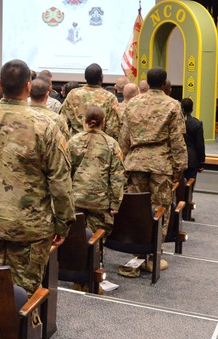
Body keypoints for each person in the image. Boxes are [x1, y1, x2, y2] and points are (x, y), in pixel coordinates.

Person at [0, 59, 74, 294]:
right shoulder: (46, 126)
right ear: (28, 86)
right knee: (24, 296)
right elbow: (60, 181)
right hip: (31, 228)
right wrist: (63, 223)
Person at [117, 67, 187, 277]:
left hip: (136, 163)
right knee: (159, 211)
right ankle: (154, 256)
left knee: (136, 209)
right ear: (165, 82)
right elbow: (177, 140)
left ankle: (137, 256)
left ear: (146, 81)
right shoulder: (172, 105)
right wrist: (179, 167)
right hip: (161, 165)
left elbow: (124, 138)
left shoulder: (133, 103)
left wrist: (123, 163)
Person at [68, 106, 124, 240]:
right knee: (96, 239)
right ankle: (95, 260)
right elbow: (117, 176)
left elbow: (65, 172)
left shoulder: (73, 141)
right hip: (100, 200)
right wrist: (115, 203)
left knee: (74, 237)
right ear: (103, 122)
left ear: (84, 121)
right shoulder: (111, 144)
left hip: (75, 197)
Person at [61, 63, 121, 139]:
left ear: (85, 77)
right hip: (101, 145)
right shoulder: (110, 98)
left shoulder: (73, 95)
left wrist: (69, 143)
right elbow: (112, 129)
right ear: (102, 78)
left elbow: (63, 122)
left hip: (77, 144)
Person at [182, 98, 206, 182]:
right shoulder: (197, 123)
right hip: (191, 160)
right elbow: (200, 145)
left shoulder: (176, 122)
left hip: (177, 159)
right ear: (192, 109)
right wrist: (201, 162)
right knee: (189, 187)